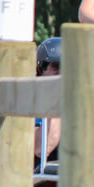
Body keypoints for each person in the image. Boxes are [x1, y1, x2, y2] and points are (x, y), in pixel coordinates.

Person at [34, 38, 62, 169]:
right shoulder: (29, 99)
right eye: (57, 66)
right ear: (41, 69)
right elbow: (42, 149)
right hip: (41, 176)